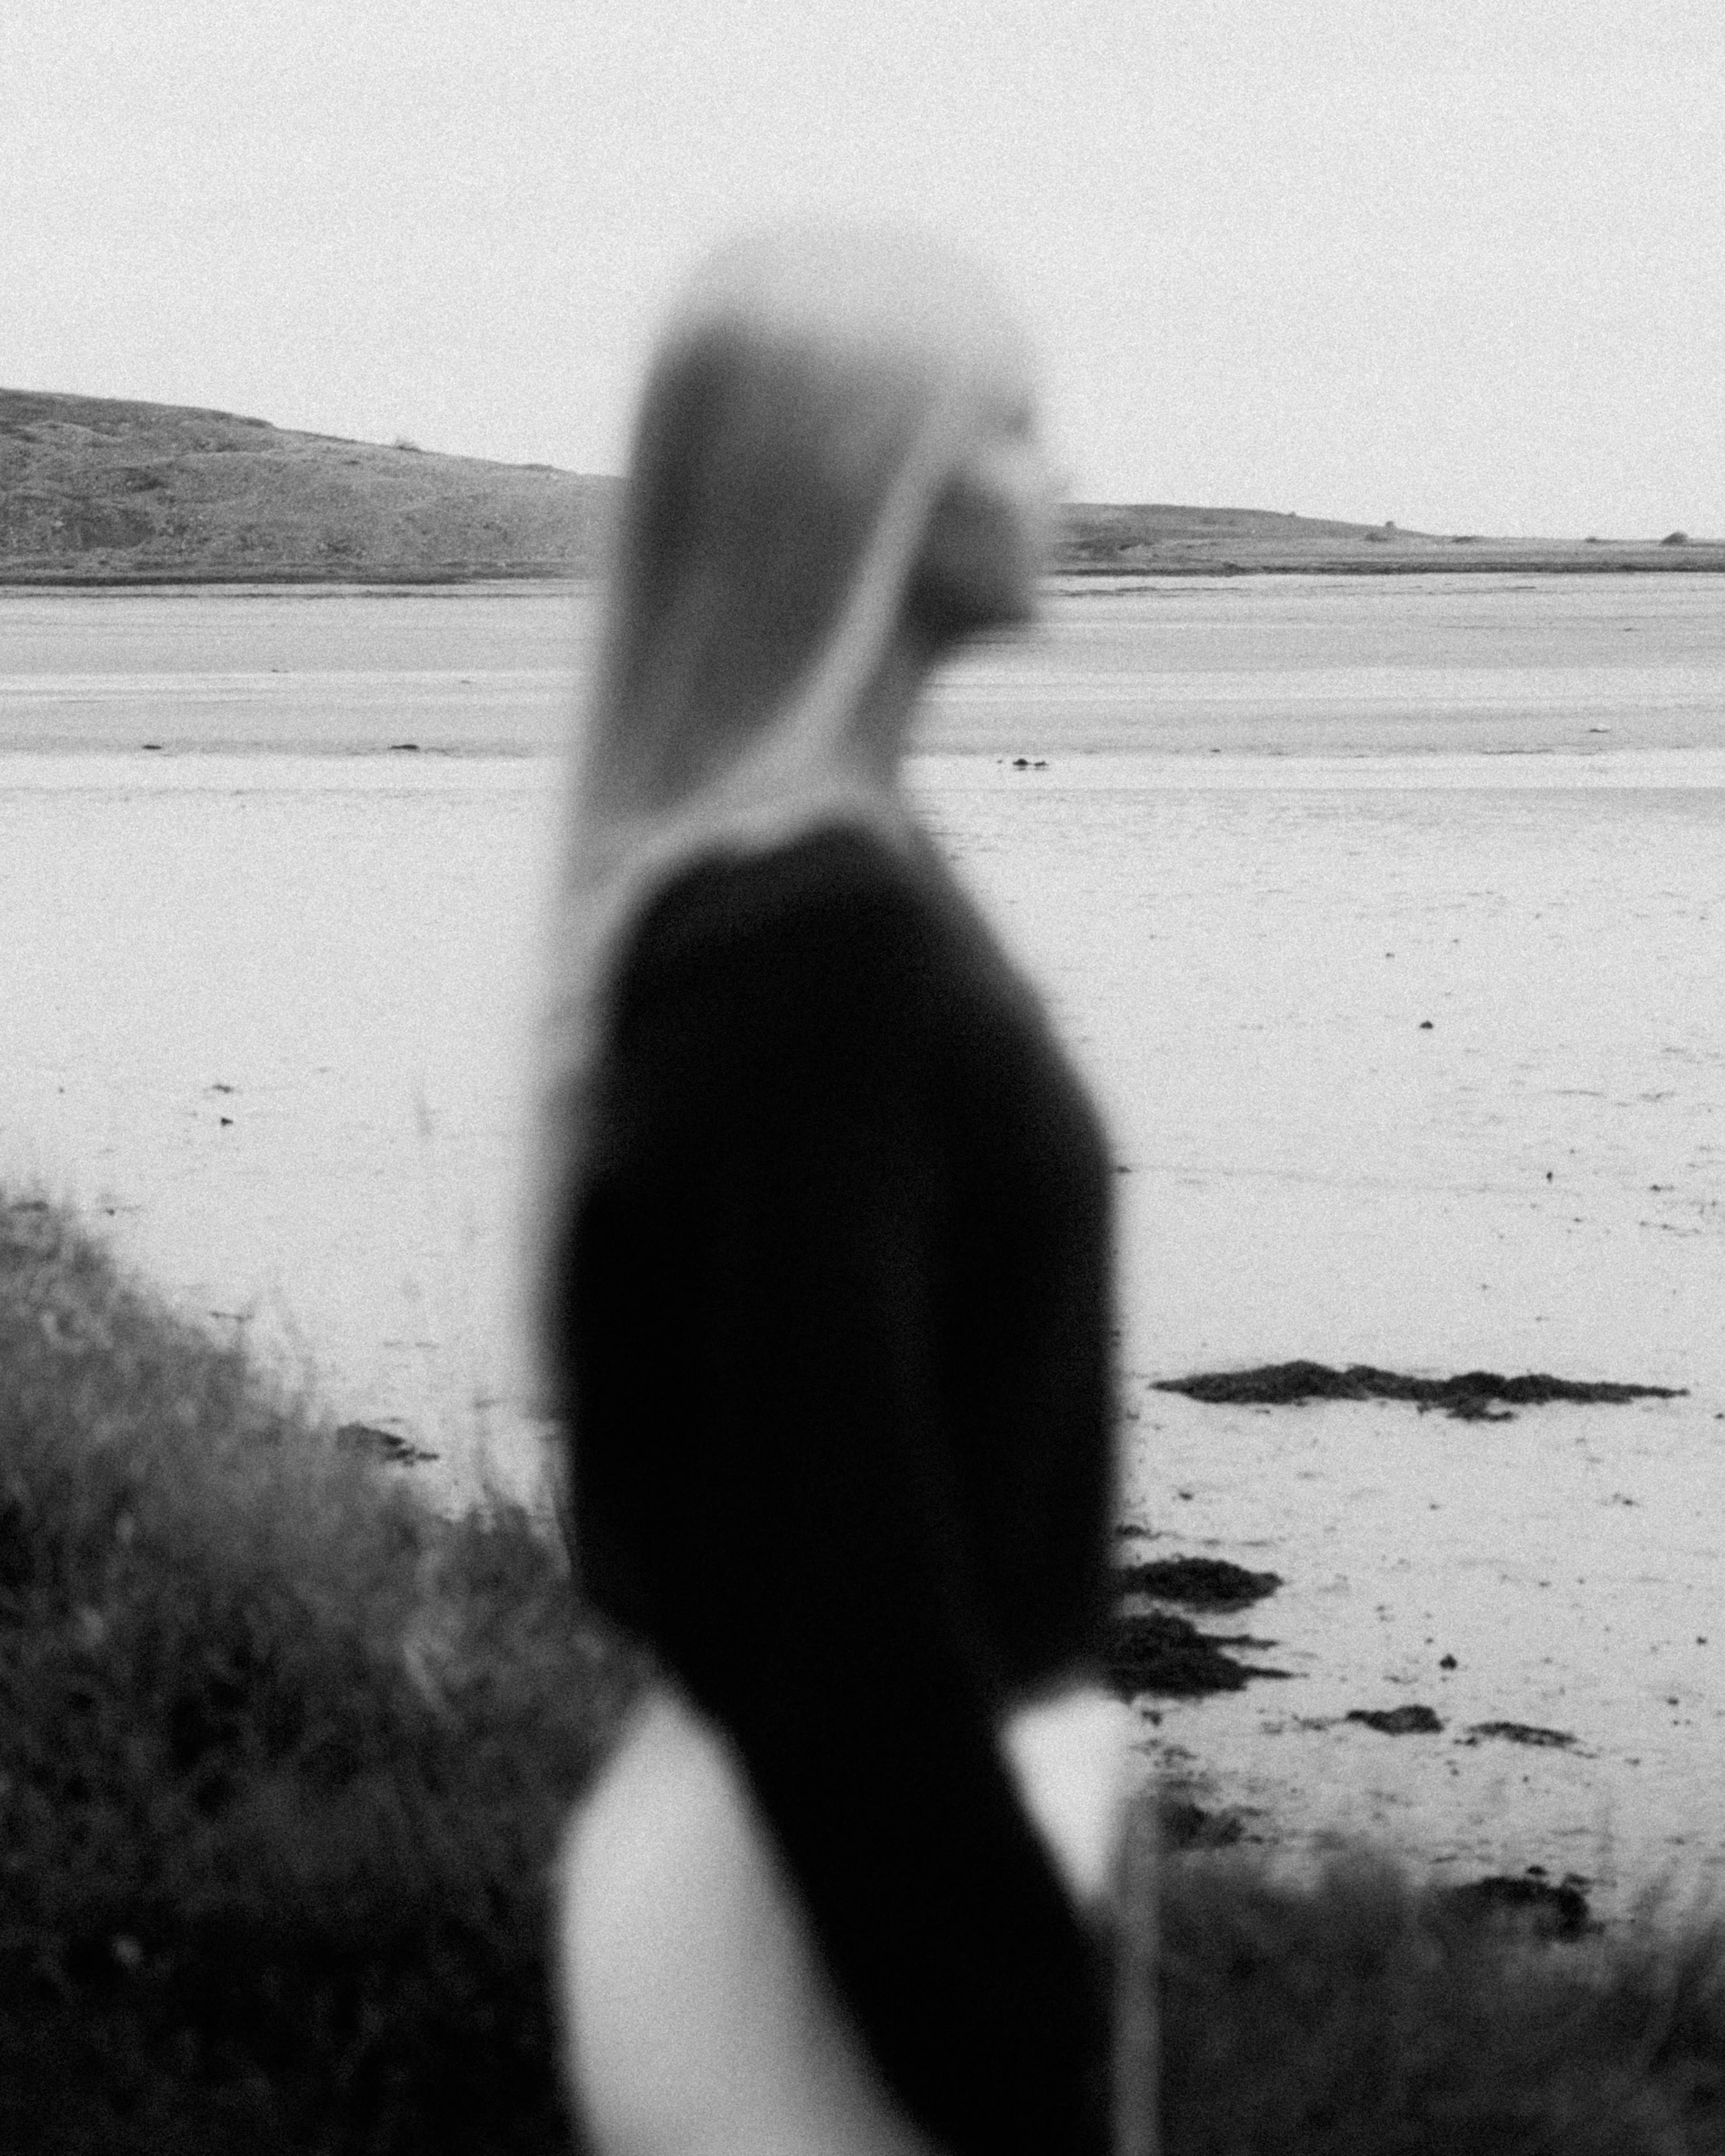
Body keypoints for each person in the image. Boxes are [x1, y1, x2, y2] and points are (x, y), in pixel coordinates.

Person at [538, 224, 1132, 2156]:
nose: (1067, 484)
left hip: (811, 1866)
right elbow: (828, 1575)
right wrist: (1012, 2028)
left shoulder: (807, 888)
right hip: (830, 1914)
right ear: (868, 487)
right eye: (1016, 431)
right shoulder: (811, 945)